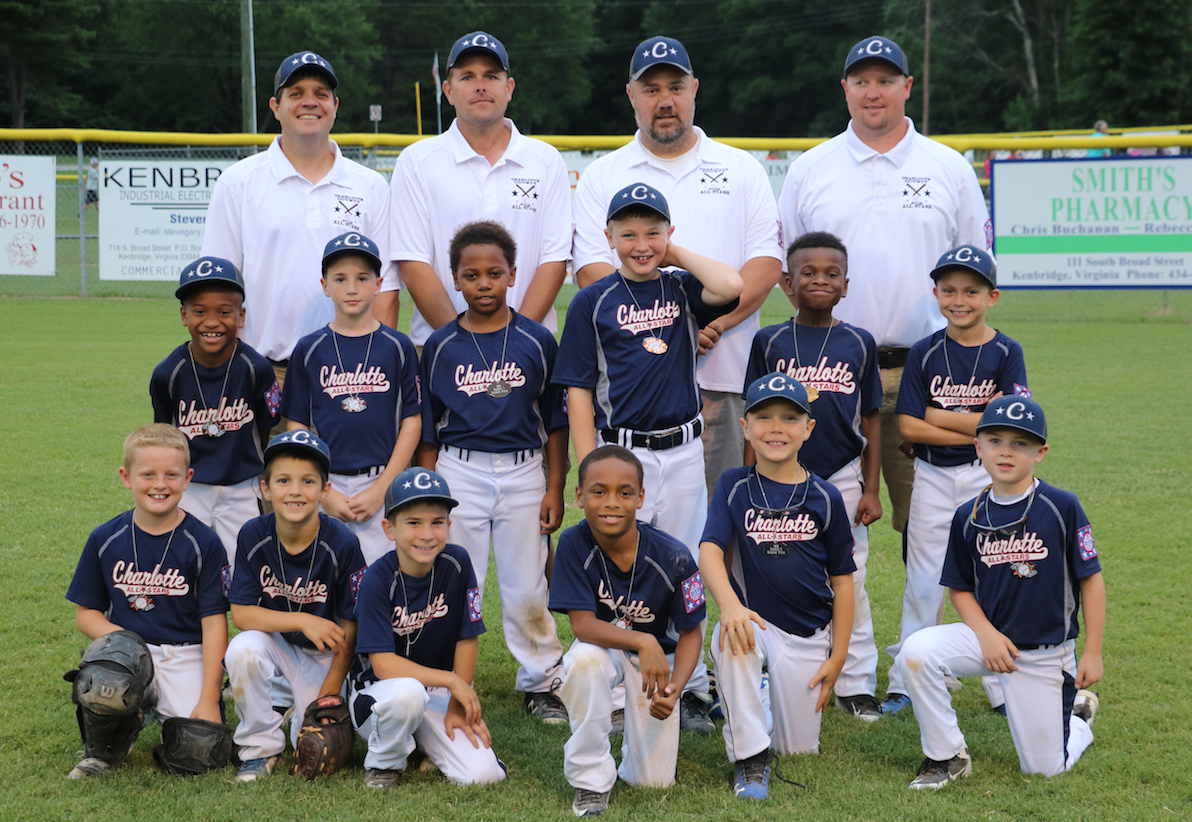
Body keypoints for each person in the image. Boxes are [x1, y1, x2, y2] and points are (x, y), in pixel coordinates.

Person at [779, 35, 991, 542]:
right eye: (861, 81)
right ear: (845, 89)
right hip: (830, 371)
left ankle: (942, 627)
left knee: (936, 533)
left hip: (929, 371)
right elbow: (790, 270)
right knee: (821, 524)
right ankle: (826, 627)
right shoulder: (811, 168)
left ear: (907, 87)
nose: (873, 92)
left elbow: (977, 269)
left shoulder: (949, 167)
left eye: (886, 81)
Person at [553, 182, 741, 733]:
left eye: (653, 231)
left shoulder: (682, 288)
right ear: (607, 237)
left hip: (682, 450)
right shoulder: (593, 300)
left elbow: (730, 284)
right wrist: (590, 472)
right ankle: (616, 684)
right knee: (618, 566)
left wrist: (672, 253)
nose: (641, 243)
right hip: (623, 452)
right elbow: (580, 391)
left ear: (670, 233)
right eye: (628, 233)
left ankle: (690, 689)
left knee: (680, 562)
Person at [571, 35, 782, 497]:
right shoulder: (604, 175)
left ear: (694, 90)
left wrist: (713, 323)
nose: (664, 101)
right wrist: (667, 325)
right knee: (631, 529)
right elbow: (592, 272)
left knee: (719, 528)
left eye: (675, 87)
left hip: (724, 372)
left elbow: (764, 264)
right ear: (631, 95)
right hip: (632, 388)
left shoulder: (740, 167)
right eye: (650, 89)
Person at [895, 395, 1104, 788]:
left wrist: (1091, 652)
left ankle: (1077, 721)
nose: (1005, 452)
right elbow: (959, 588)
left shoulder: (1061, 506)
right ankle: (946, 755)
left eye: (1019, 443)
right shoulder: (968, 514)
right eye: (994, 440)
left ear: (1040, 452)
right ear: (978, 446)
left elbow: (1091, 578)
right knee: (916, 652)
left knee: (1044, 770)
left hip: (1043, 652)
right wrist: (986, 635)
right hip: (986, 640)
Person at [417, 220, 568, 723]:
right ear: (455, 280)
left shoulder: (537, 340)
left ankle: (542, 680)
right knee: (457, 579)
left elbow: (554, 421)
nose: (484, 283)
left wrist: (554, 486)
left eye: (495, 273)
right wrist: (427, 494)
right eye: (472, 274)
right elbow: (429, 431)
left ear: (512, 275)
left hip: (525, 473)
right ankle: (445, 677)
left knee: (527, 586)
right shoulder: (440, 345)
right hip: (460, 472)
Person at [744, 231, 883, 720]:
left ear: (846, 284)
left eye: (831, 274)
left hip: (841, 476)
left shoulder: (859, 342)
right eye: (807, 272)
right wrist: (748, 479)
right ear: (787, 282)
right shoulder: (770, 340)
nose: (820, 280)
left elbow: (870, 419)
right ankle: (774, 668)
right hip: (777, 475)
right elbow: (753, 414)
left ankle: (856, 680)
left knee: (851, 576)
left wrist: (872, 487)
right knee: (777, 572)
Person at [883, 245, 1028, 713]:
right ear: (935, 293)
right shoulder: (926, 351)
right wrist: (979, 422)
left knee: (995, 574)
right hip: (930, 475)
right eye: (948, 290)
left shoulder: (1006, 351)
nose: (959, 299)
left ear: (993, 296)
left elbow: (1009, 424)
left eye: (971, 290)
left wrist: (938, 413)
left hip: (988, 479)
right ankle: (908, 678)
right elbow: (908, 426)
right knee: (924, 580)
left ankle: (1001, 682)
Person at [700, 374, 855, 800]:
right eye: (763, 416)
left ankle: (755, 698)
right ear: (745, 427)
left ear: (808, 428)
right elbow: (710, 550)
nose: (776, 427)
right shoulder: (733, 486)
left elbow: (843, 581)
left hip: (808, 636)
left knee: (799, 749)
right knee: (732, 637)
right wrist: (730, 606)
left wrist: (838, 654)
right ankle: (750, 760)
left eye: (790, 417)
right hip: (757, 625)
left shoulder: (825, 496)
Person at [202, 51, 393, 387]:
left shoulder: (371, 186)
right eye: (296, 94)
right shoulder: (238, 183)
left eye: (321, 94)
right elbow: (219, 290)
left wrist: (369, 368)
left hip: (348, 373)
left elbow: (386, 288)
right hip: (260, 372)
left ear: (335, 105)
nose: (310, 103)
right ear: (275, 106)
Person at [549, 445, 706, 817]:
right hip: (606, 648)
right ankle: (590, 780)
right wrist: (641, 638)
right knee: (584, 662)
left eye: (625, 492)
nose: (611, 503)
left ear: (641, 497)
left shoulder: (675, 555)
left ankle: (635, 752)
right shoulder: (573, 542)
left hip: (658, 664)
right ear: (579, 495)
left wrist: (675, 690)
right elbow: (583, 626)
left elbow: (691, 632)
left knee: (652, 782)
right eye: (598, 491)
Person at [65, 424, 229, 778]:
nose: (160, 484)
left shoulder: (204, 542)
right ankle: (106, 748)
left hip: (185, 653)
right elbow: (87, 614)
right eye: (148, 474)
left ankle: (151, 712)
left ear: (187, 478)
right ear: (126, 477)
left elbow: (215, 621)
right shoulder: (106, 538)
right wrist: (125, 645)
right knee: (106, 675)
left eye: (171, 474)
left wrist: (209, 697)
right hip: (127, 654)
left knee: (196, 755)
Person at [387, 30, 571, 344]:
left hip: (529, 349)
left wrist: (518, 341)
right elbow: (413, 264)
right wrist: (462, 344)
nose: (481, 85)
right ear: (448, 90)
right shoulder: (416, 161)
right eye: (468, 76)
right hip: (441, 348)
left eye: (491, 75)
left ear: (509, 87)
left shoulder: (546, 160)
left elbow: (553, 261)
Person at [349, 467, 507, 789]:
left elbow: (467, 636)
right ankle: (384, 764)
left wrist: (456, 703)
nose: (426, 534)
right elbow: (383, 664)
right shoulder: (377, 580)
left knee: (484, 775)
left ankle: (427, 742)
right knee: (407, 694)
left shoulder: (457, 563)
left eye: (437, 522)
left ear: (449, 526)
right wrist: (453, 681)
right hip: (380, 694)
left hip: (433, 692)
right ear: (389, 528)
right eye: (413, 523)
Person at [225, 430, 367, 782]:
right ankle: (259, 748)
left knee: (313, 749)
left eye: (308, 481)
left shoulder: (343, 543)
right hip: (281, 644)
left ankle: (289, 703)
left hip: (326, 654)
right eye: (283, 480)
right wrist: (302, 619)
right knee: (243, 650)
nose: (295, 491)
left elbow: (353, 623)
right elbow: (241, 613)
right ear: (266, 489)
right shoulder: (253, 534)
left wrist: (332, 684)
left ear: (325, 490)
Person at [280, 232, 421, 566]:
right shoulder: (309, 348)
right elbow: (297, 426)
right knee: (322, 581)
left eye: (362, 278)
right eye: (340, 279)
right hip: (325, 483)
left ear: (379, 283)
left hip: (381, 480)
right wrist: (323, 492)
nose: (353, 288)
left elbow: (412, 422)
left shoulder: (397, 347)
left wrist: (383, 489)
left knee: (380, 582)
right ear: (325, 285)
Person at [150, 256, 280, 563]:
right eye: (199, 311)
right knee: (186, 568)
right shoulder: (169, 373)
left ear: (241, 315)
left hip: (242, 488)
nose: (211, 322)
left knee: (247, 571)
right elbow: (165, 435)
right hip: (189, 487)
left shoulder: (255, 368)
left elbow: (265, 428)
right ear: (184, 315)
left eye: (224, 312)